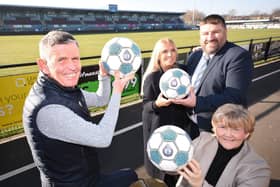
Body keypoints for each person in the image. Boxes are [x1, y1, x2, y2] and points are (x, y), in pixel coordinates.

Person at [22, 30, 138, 187]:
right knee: (132, 177)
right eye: (61, 60)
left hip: (86, 178)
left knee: (131, 176)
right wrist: (117, 90)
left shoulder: (61, 88)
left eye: (75, 58)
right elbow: (103, 137)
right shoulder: (49, 109)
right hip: (73, 184)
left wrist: (103, 76)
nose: (72, 67)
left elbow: (100, 99)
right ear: (44, 65)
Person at [172, 14, 253, 139]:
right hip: (191, 124)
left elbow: (234, 97)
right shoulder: (196, 55)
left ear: (225, 32)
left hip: (219, 130)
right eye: (205, 33)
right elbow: (189, 75)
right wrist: (167, 65)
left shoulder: (238, 56)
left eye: (216, 32)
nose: (210, 37)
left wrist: (196, 102)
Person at [176, 103, 271, 187]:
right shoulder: (203, 140)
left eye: (236, 129)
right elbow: (178, 166)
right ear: (214, 128)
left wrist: (201, 184)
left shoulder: (258, 169)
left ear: (246, 134)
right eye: (223, 127)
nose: (228, 134)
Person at [141, 38, 190, 187]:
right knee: (164, 177)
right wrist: (157, 104)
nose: (170, 54)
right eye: (165, 51)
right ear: (158, 55)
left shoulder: (183, 72)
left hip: (182, 130)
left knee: (181, 176)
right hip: (161, 132)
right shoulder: (152, 77)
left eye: (173, 50)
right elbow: (145, 106)